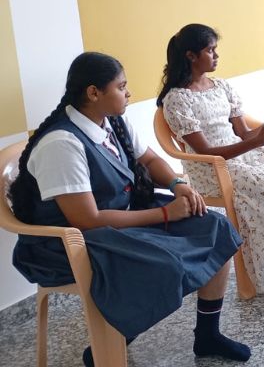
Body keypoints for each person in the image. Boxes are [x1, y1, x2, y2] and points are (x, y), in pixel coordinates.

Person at [9, 52, 250, 365]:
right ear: (93, 93)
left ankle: (207, 335)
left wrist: (178, 185)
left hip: (119, 219)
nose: (129, 93)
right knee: (163, 264)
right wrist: (166, 213)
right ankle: (110, 344)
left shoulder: (110, 122)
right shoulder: (61, 144)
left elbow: (149, 159)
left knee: (215, 227)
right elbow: (86, 219)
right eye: (121, 87)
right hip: (67, 242)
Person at [157, 23, 264, 301]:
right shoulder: (177, 100)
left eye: (215, 49)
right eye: (210, 50)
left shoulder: (221, 86)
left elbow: (244, 134)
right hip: (212, 168)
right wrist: (257, 142)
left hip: (242, 155)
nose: (216, 56)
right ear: (191, 56)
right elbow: (207, 151)